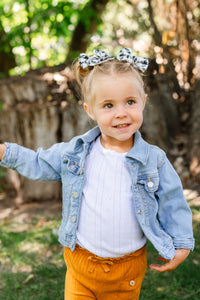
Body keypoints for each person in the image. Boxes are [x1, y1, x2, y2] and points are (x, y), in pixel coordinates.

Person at [0, 48, 194, 300]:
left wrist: (181, 242)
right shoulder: (77, 153)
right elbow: (40, 163)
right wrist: (6, 152)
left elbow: (172, 200)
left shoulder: (153, 160)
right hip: (81, 264)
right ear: (90, 110)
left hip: (127, 269)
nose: (121, 112)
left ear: (143, 101)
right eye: (108, 105)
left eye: (130, 102)